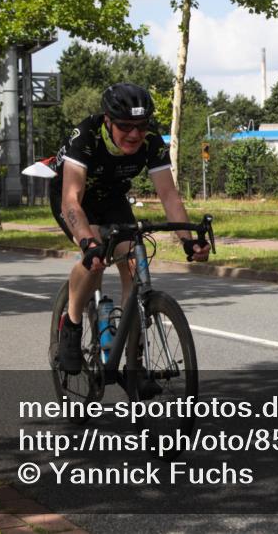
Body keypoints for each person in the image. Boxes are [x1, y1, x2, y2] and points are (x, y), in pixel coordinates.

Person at [49, 82, 210, 374]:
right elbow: (71, 200)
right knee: (96, 260)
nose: (135, 134)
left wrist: (187, 239)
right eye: (125, 126)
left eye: (142, 125)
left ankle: (133, 355)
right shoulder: (85, 136)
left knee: (137, 262)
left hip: (112, 198)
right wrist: (88, 242)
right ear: (108, 121)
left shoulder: (150, 143)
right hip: (74, 199)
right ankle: (71, 326)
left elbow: (169, 195)